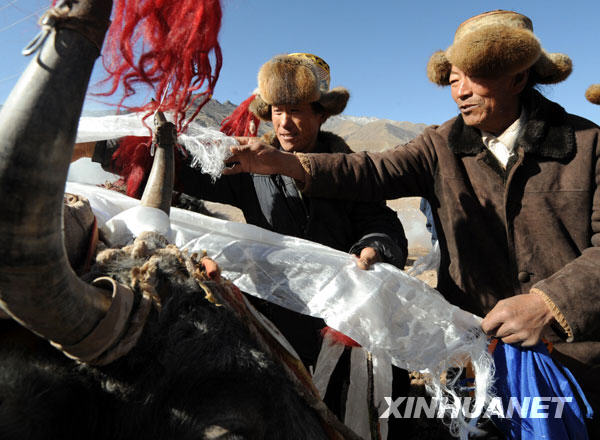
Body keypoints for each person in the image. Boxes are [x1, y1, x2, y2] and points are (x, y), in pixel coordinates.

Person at [224, 11, 600, 436]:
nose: (459, 92)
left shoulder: (588, 146)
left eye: (473, 76)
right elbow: (370, 171)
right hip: (474, 359)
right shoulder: (439, 146)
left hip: (578, 363)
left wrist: (548, 304)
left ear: (517, 77)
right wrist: (287, 163)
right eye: (453, 78)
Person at [73, 53, 409, 432]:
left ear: (321, 114)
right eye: (277, 110)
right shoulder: (254, 163)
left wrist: (375, 247)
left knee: (355, 410)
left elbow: (380, 220)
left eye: (296, 110)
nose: (284, 122)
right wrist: (98, 149)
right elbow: (189, 168)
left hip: (345, 315)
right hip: (276, 313)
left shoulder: (348, 167)